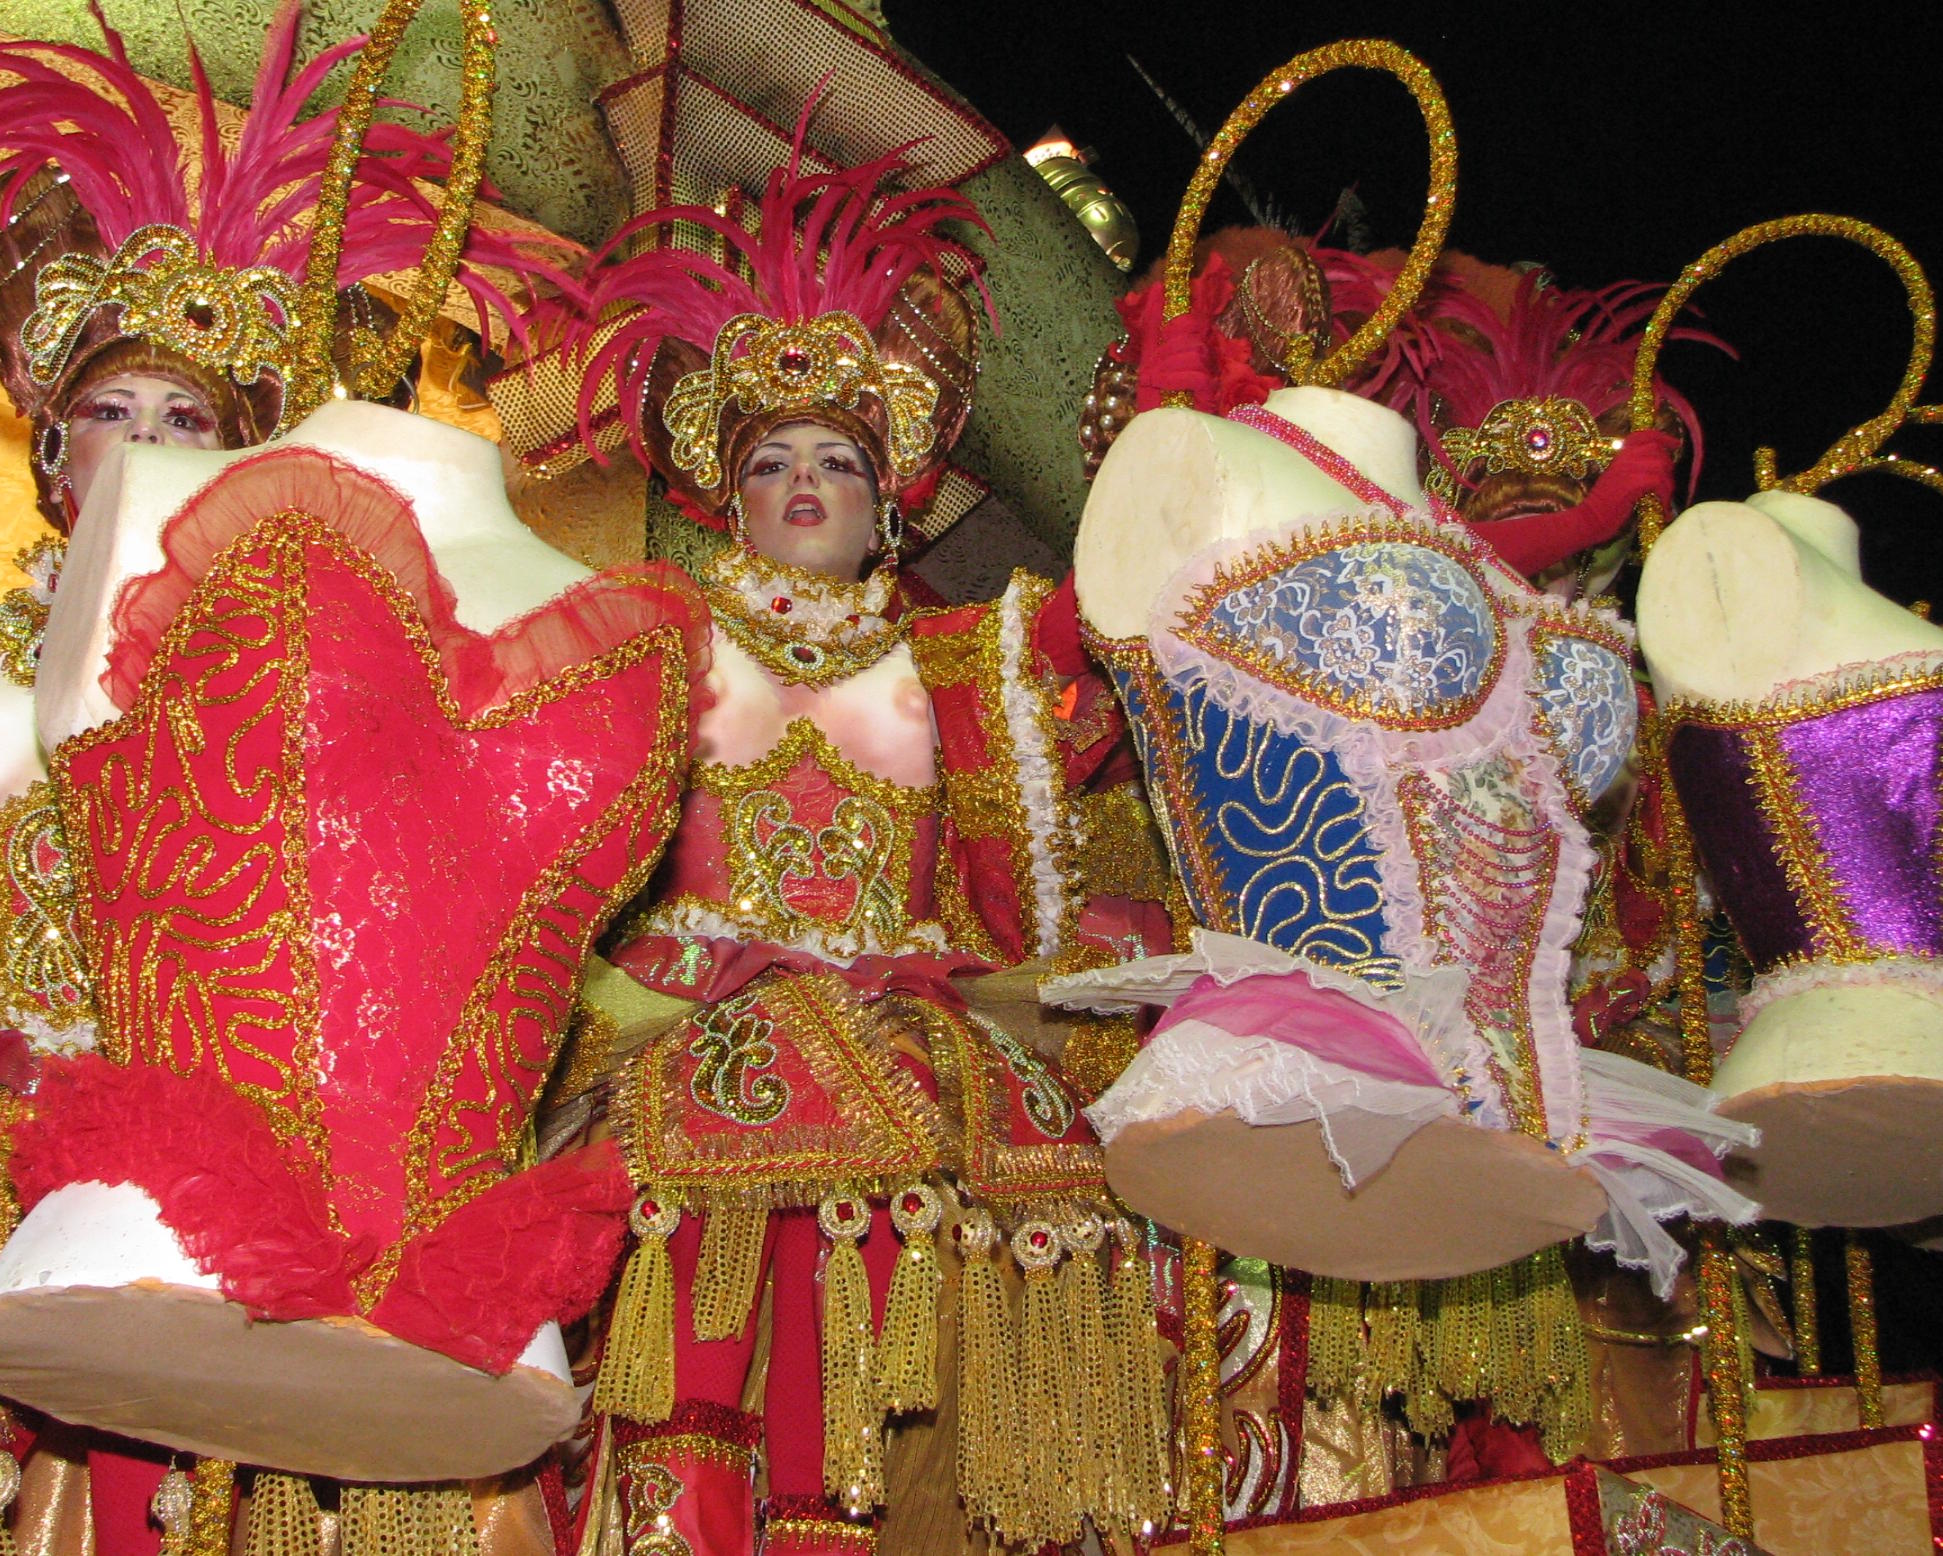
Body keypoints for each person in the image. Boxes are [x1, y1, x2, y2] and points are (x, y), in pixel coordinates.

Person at [554, 118, 1174, 1556]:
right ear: (731, 490)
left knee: (906, 1370)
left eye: (839, 454)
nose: (809, 483)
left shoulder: (974, 664)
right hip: (688, 1032)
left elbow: (1119, 677)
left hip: (912, 1036)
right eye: (776, 460)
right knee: (688, 1345)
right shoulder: (654, 641)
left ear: (890, 495)